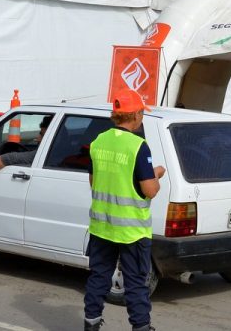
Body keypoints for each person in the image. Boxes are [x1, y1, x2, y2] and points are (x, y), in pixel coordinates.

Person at [83, 89, 165, 331]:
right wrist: (157, 174)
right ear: (137, 115)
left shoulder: (98, 142)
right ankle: (141, 327)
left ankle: (91, 324)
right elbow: (150, 190)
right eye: (142, 113)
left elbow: (93, 182)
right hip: (131, 231)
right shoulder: (138, 146)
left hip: (102, 227)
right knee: (136, 282)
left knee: (98, 277)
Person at [0, 115, 51, 192]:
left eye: (42, 135)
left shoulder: (46, 154)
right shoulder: (57, 152)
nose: (37, 139)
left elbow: (9, 158)